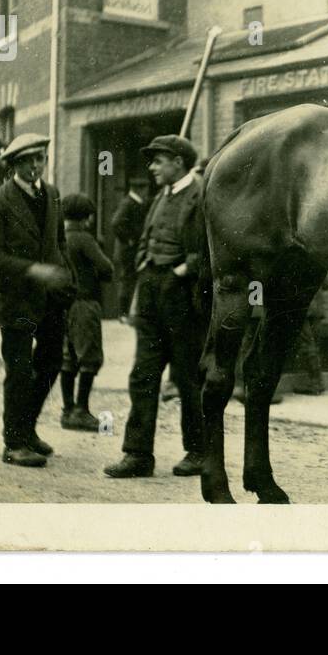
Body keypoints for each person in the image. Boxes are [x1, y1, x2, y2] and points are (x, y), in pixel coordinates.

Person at [105, 135, 207, 479]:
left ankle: (198, 452)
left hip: (183, 298)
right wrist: (144, 266)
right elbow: (145, 238)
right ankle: (137, 455)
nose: (151, 167)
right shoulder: (159, 197)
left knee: (188, 378)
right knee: (143, 375)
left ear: (178, 162)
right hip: (151, 294)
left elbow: (210, 247)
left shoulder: (202, 194)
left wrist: (183, 270)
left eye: (157, 161)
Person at [0, 134, 74, 468]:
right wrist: (34, 271)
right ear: (14, 165)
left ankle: (28, 428)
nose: (36, 166)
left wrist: (68, 277)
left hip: (50, 299)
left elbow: (60, 241)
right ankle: (14, 442)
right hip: (16, 300)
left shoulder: (51, 194)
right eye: (28, 161)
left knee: (50, 364)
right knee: (19, 371)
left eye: (40, 159)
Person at [60, 194, 113, 432]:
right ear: (87, 217)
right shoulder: (84, 239)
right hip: (85, 302)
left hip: (64, 304)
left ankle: (68, 409)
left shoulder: (60, 238)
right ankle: (81, 410)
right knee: (90, 357)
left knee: (68, 357)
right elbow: (106, 267)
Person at [110, 174, 149, 323]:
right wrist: (129, 239)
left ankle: (126, 312)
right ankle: (123, 313)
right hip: (127, 251)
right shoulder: (129, 203)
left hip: (128, 250)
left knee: (129, 280)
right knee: (127, 280)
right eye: (144, 188)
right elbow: (116, 223)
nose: (146, 192)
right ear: (138, 189)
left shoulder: (135, 202)